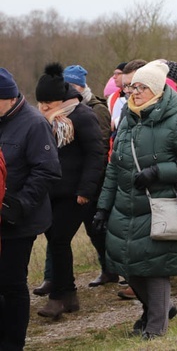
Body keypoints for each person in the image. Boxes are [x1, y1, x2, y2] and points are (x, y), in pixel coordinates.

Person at [94, 60, 177, 339]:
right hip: (125, 207)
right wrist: (103, 208)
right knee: (126, 265)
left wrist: (158, 172)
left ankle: (156, 329)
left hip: (160, 205)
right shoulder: (127, 121)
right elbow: (113, 167)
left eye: (141, 87)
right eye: (132, 87)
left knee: (156, 268)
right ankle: (162, 308)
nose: (134, 92)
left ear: (156, 89)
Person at [33, 64, 107, 320]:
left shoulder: (83, 116)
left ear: (61, 99)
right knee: (55, 241)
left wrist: (86, 189)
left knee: (60, 240)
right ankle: (69, 294)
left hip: (75, 193)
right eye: (40, 102)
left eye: (48, 102)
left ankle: (60, 297)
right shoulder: (44, 120)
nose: (43, 107)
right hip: (51, 192)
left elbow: (96, 154)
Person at [0, 68, 61, 350]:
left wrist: (21, 204)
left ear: (8, 98)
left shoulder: (34, 124)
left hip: (19, 221)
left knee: (11, 282)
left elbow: (47, 171)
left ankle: (13, 343)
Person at [62, 64, 115, 288]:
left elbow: (100, 148)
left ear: (79, 86)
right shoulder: (64, 110)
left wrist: (93, 180)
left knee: (98, 229)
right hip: (75, 180)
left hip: (96, 181)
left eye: (70, 85)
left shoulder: (97, 109)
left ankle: (111, 269)